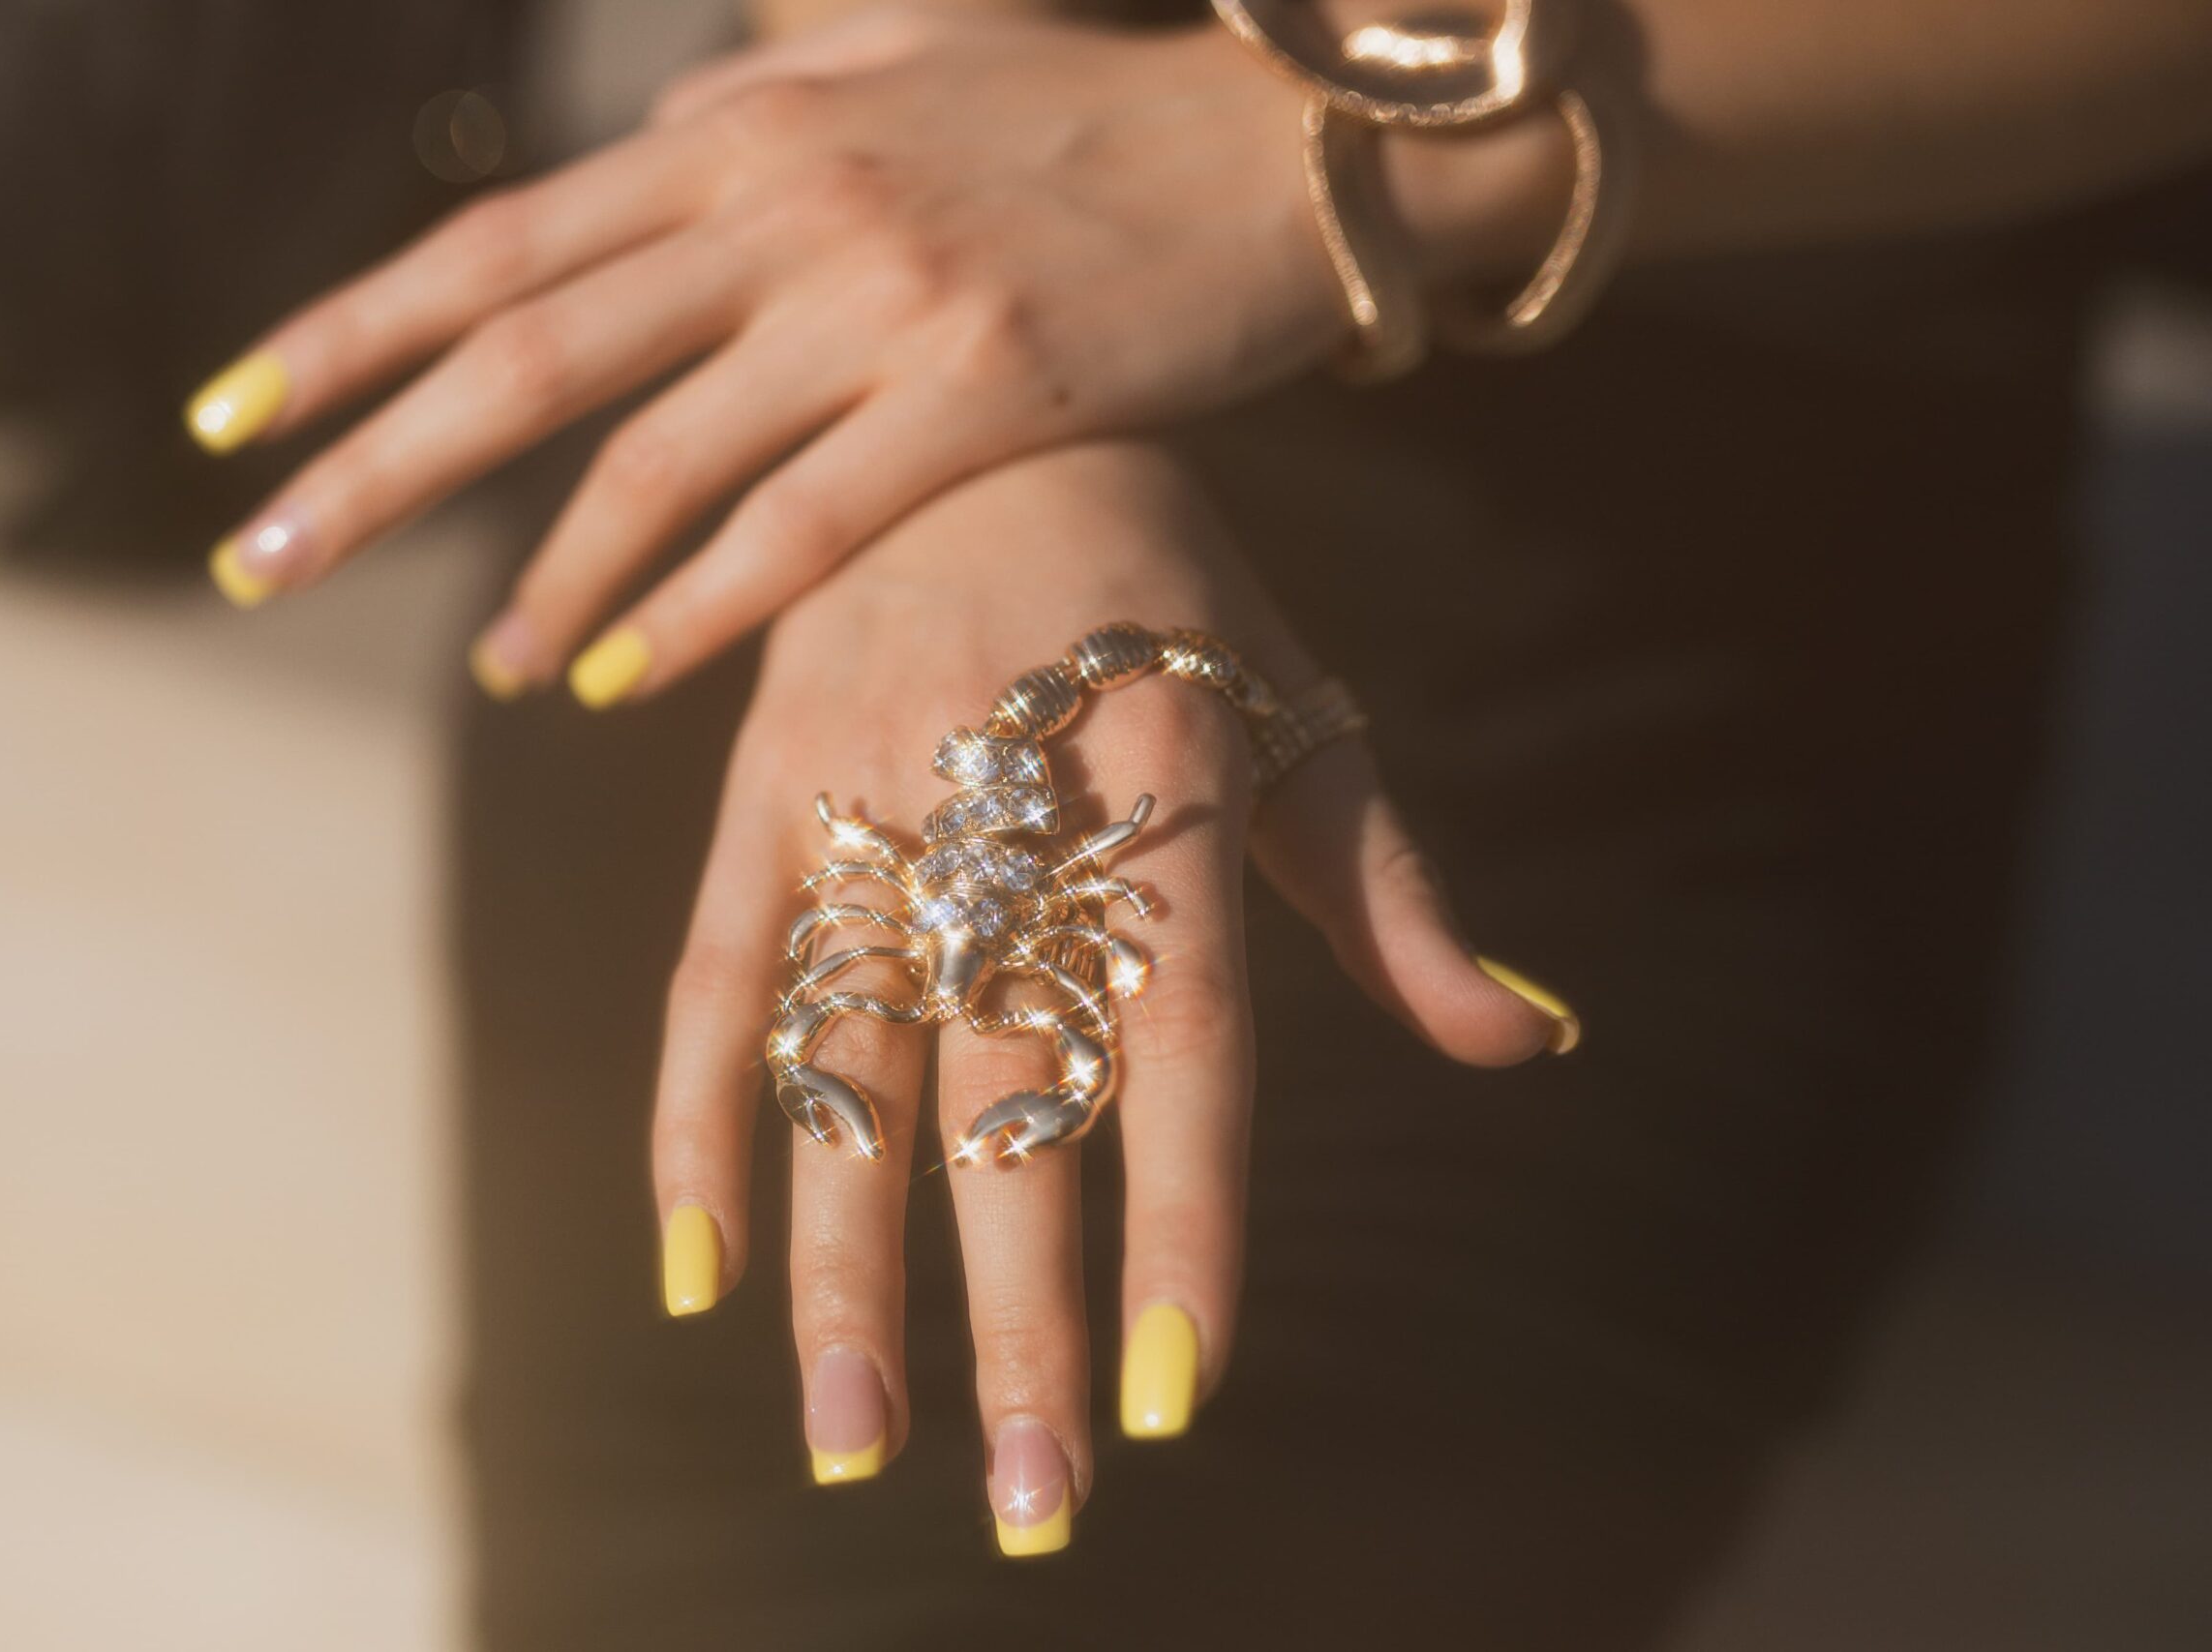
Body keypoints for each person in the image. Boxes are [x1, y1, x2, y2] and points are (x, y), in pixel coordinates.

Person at [181, 1, 2212, 1643]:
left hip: (1688, 619)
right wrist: (978, 394)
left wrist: (1316, 162)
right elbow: (958, 255)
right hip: (848, 486)